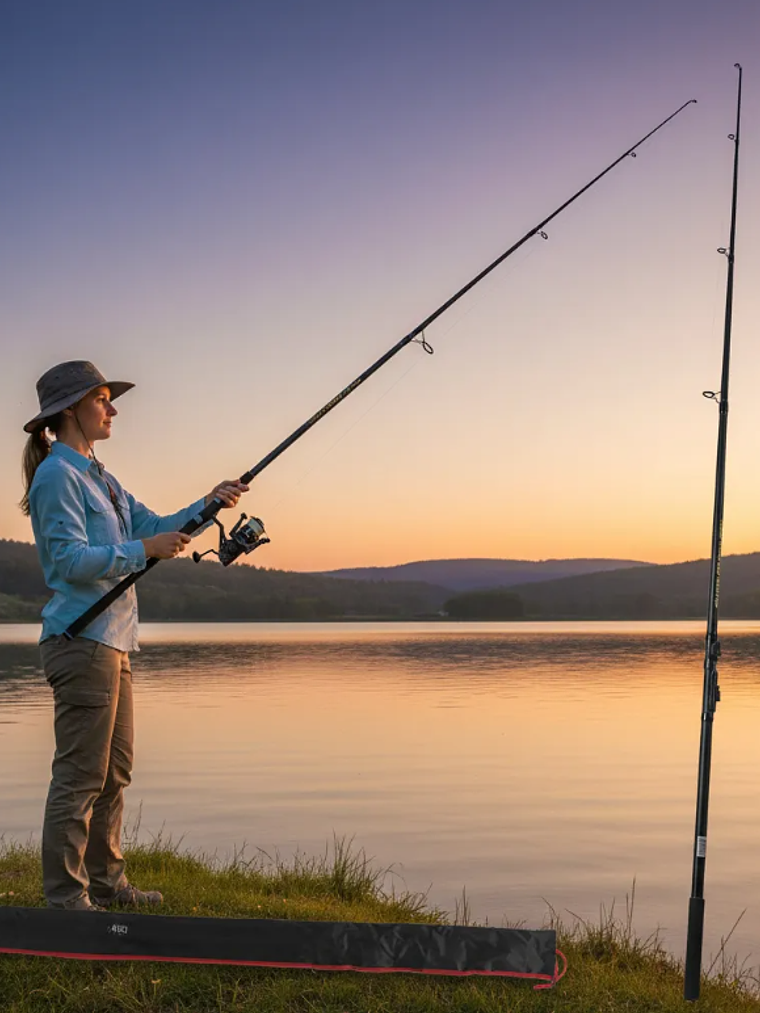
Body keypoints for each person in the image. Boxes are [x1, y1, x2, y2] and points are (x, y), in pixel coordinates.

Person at [20, 360, 249, 911]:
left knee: (115, 772)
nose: (113, 408)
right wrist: (142, 552)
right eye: (102, 398)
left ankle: (109, 886)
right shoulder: (57, 475)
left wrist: (209, 503)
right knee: (80, 777)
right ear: (70, 410)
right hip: (81, 642)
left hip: (114, 642)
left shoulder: (101, 476)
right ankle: (66, 903)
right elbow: (69, 561)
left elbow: (153, 524)